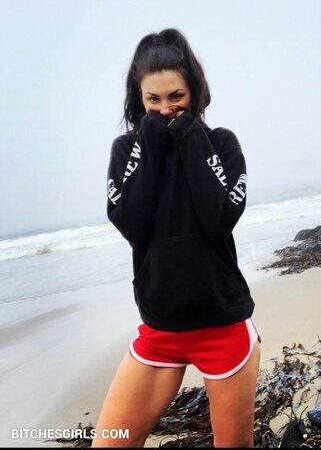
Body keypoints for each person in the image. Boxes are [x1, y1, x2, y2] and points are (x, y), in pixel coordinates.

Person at [91, 28, 261, 448]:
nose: (166, 109)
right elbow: (132, 225)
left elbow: (219, 219)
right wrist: (149, 146)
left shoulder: (222, 144)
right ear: (139, 98)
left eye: (176, 96)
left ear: (195, 91)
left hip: (223, 328)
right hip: (159, 331)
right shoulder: (126, 150)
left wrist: (189, 136)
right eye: (154, 99)